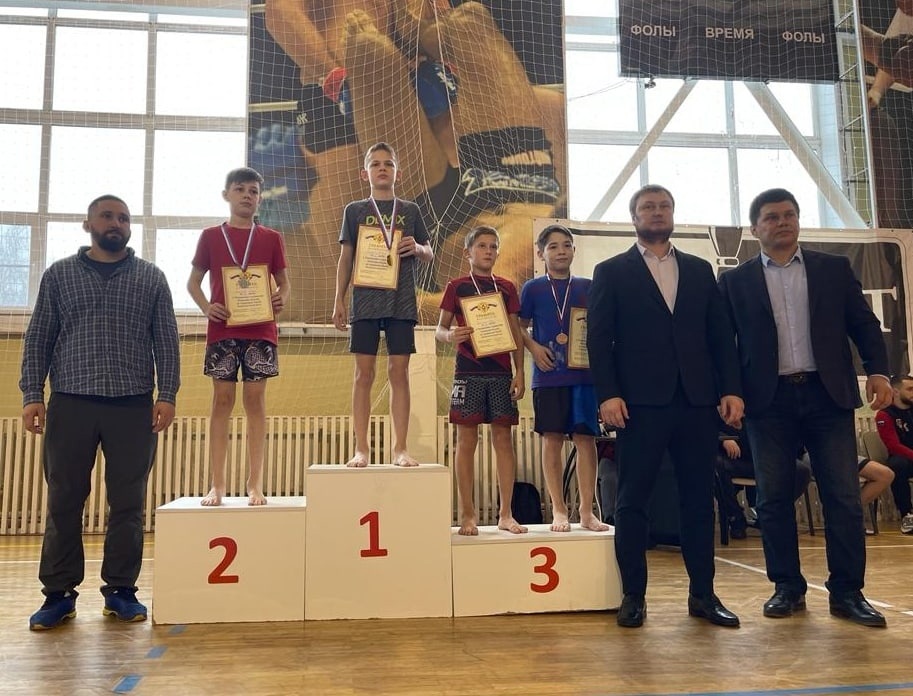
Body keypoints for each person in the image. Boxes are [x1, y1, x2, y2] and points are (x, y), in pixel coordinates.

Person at [718, 187, 893, 628]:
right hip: (768, 401)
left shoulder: (832, 269)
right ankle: (787, 587)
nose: (783, 222)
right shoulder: (735, 282)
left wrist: (878, 371)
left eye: (789, 215)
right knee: (774, 498)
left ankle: (848, 593)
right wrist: (730, 390)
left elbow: (864, 324)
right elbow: (723, 344)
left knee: (843, 497)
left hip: (827, 395)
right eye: (772, 217)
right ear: (755, 229)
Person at [586, 184, 744, 628]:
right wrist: (608, 394)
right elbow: (599, 338)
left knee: (698, 500)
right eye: (648, 207)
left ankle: (703, 596)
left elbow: (720, 336)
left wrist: (731, 389)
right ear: (634, 217)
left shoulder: (699, 269)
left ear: (673, 214)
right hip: (638, 404)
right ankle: (633, 596)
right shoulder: (611, 271)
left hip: (697, 402)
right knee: (632, 501)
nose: (657, 212)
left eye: (664, 206)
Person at [21, 195, 180, 630]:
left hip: (132, 405)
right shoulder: (59, 275)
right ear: (87, 224)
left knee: (128, 504)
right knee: (63, 501)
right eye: (107, 216)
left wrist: (167, 394)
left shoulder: (151, 278)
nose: (117, 223)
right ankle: (58, 595)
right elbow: (38, 338)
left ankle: (121, 591)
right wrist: (32, 394)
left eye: (124, 218)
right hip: (70, 402)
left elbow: (166, 341)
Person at [188, 168, 291, 506]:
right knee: (221, 401)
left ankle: (254, 483)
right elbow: (193, 283)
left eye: (253, 191)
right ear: (226, 195)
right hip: (223, 331)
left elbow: (284, 283)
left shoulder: (271, 238)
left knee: (255, 402)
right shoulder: (210, 237)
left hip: (261, 331)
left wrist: (281, 297)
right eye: (240, 189)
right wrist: (208, 308)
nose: (247, 195)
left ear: (260, 199)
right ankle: (217, 484)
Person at [333, 142, 433, 467]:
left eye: (388, 163)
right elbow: (346, 257)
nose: (382, 168)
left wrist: (417, 248)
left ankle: (400, 448)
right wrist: (339, 299)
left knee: (399, 373)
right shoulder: (354, 210)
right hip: (364, 301)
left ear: (397, 172)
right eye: (375, 164)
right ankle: (361, 447)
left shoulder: (411, 210)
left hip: (401, 302)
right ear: (365, 173)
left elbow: (429, 252)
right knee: (363, 375)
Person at [436, 225, 527, 535]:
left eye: (493, 246)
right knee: (466, 441)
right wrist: (450, 335)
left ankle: (506, 514)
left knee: (503, 440)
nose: (488, 251)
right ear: (468, 252)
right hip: (468, 371)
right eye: (482, 246)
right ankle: (467, 514)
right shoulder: (457, 287)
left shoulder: (507, 287)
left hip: (501, 372)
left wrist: (520, 371)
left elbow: (515, 332)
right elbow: (439, 330)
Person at [518, 224, 609, 533]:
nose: (561, 251)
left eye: (566, 245)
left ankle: (586, 510)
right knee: (552, 439)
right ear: (540, 253)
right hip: (548, 376)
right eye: (553, 246)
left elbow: (601, 327)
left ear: (574, 250)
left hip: (584, 376)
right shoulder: (532, 288)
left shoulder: (588, 286)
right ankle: (558, 509)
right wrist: (533, 348)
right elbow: (518, 326)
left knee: (586, 439)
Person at [715, 423, 812, 540]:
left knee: (801, 471)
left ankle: (771, 512)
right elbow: (707, 428)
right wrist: (724, 438)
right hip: (736, 458)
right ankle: (735, 518)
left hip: (767, 457)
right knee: (715, 467)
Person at [873, 373, 913, 533]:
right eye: (910, 389)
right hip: (905, 460)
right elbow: (894, 446)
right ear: (896, 392)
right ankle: (907, 514)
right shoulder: (885, 414)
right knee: (897, 465)